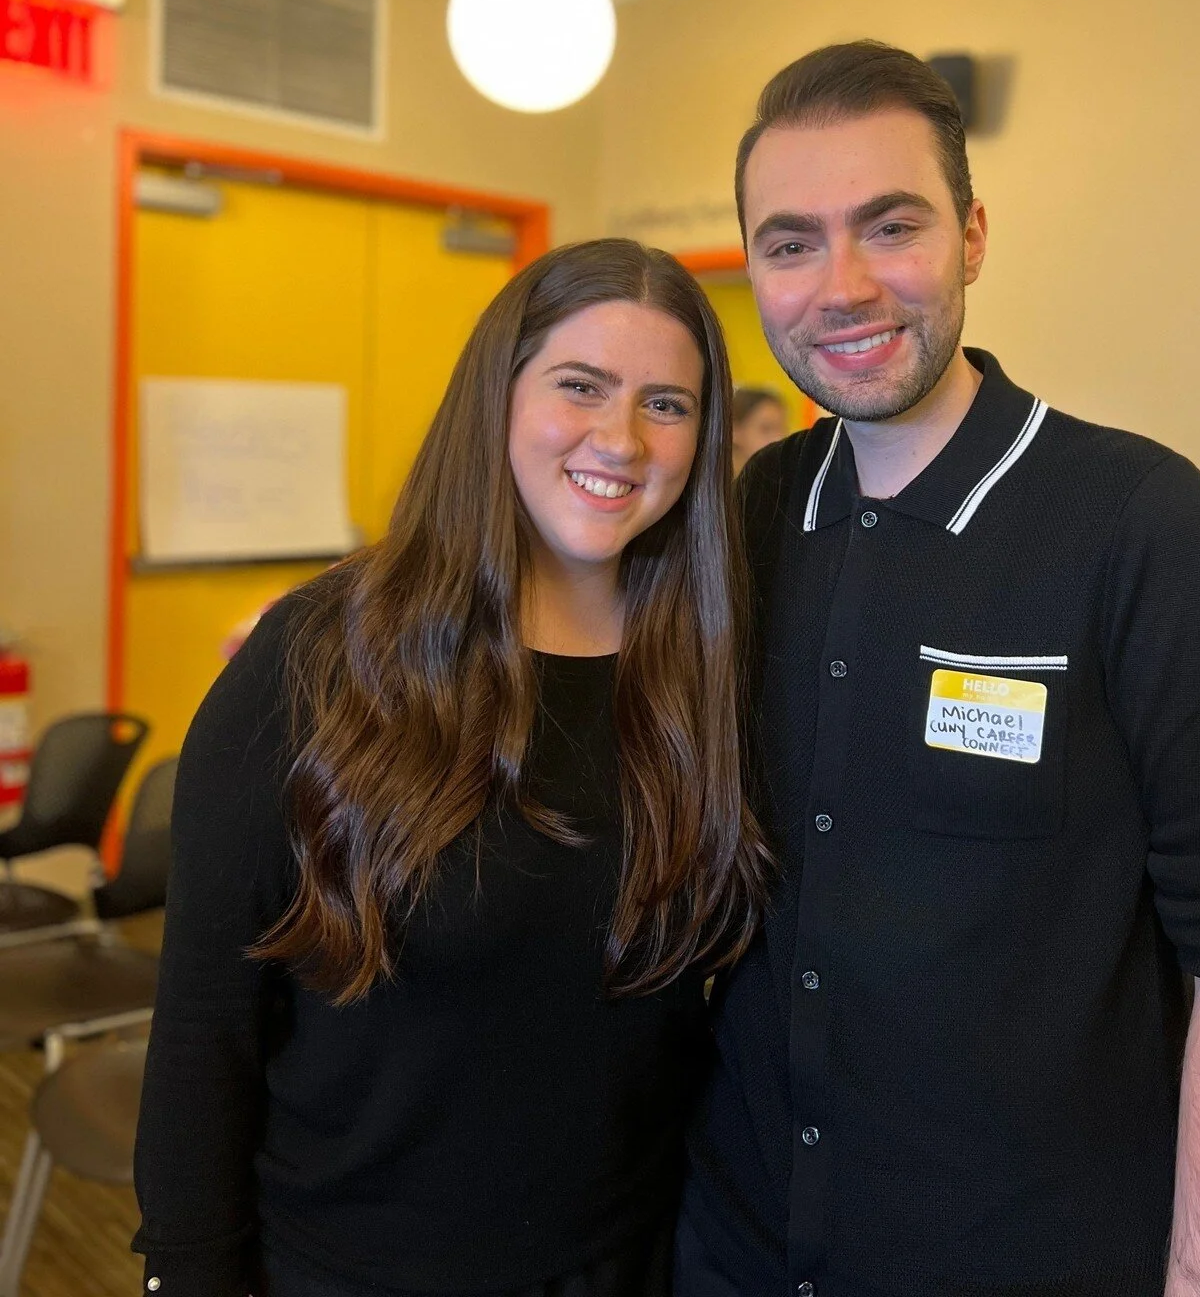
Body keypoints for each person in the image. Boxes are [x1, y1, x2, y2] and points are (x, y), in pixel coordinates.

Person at [674, 42, 1200, 1297]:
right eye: (791, 242)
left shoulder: (1145, 531)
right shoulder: (756, 512)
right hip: (743, 1246)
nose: (843, 285)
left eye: (891, 225)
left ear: (973, 236)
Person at [133, 239, 771, 1297]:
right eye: (581, 386)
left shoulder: (704, 671)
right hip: (346, 1271)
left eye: (668, 404)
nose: (620, 438)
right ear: (499, 393)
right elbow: (206, 1027)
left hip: (631, 1266)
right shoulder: (321, 655)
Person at [731, 386, 789, 475]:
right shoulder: (712, 484)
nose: (779, 438)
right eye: (766, 429)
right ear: (734, 432)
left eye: (782, 428)